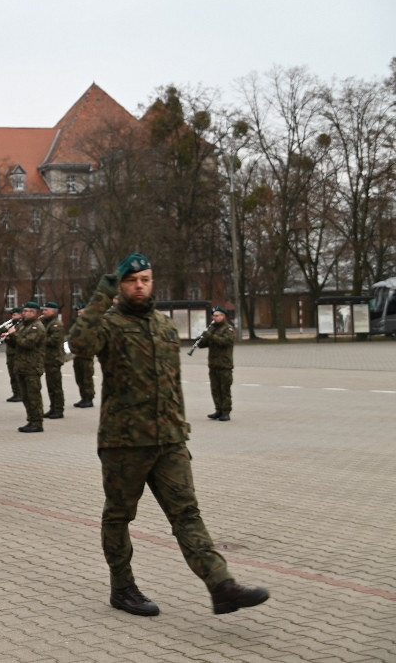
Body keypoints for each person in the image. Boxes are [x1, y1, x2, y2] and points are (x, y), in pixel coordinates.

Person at [69, 252, 268, 617]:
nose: (140, 285)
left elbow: (172, 384)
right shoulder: (108, 324)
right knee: (119, 516)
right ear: (121, 286)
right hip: (124, 443)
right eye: (132, 280)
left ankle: (221, 585)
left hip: (169, 440)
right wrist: (100, 296)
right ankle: (122, 587)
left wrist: (180, 428)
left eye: (145, 278)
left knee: (187, 514)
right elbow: (77, 346)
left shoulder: (163, 325)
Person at [5, 301, 46, 432]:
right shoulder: (23, 326)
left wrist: (14, 335)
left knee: (33, 396)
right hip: (21, 366)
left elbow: (27, 344)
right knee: (26, 396)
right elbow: (16, 345)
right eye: (25, 311)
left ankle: (37, 422)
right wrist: (8, 338)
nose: (25, 313)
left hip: (32, 367)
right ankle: (31, 420)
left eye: (29, 311)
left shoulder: (36, 327)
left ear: (35, 313)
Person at [197, 306, 236, 422]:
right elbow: (204, 344)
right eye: (213, 315)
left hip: (224, 365)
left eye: (217, 315)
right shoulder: (212, 328)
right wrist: (201, 339)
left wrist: (211, 336)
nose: (214, 317)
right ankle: (218, 409)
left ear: (223, 316)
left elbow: (225, 342)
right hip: (213, 364)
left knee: (225, 389)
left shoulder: (228, 329)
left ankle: (226, 412)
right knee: (215, 389)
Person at [41, 301, 66, 419]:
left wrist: (39, 337)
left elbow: (53, 341)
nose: (43, 312)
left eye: (46, 310)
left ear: (53, 311)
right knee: (50, 385)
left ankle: (59, 409)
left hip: (54, 358)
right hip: (47, 358)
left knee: (56, 385)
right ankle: (53, 407)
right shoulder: (45, 323)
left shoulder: (56, 324)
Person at [72, 305, 95, 408]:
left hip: (86, 355)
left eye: (81, 312)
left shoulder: (91, 324)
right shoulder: (78, 324)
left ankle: (89, 398)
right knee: (79, 377)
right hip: (77, 355)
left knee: (87, 378)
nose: (79, 314)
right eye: (78, 313)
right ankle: (83, 397)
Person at [2, 307, 23, 402]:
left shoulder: (21, 326)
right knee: (12, 375)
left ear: (20, 315)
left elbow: (19, 341)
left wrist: (12, 335)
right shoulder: (12, 326)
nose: (12, 317)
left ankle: (20, 394)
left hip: (17, 354)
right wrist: (6, 337)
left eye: (15, 315)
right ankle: (15, 393)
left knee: (17, 375)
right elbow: (11, 342)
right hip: (10, 354)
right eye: (12, 315)